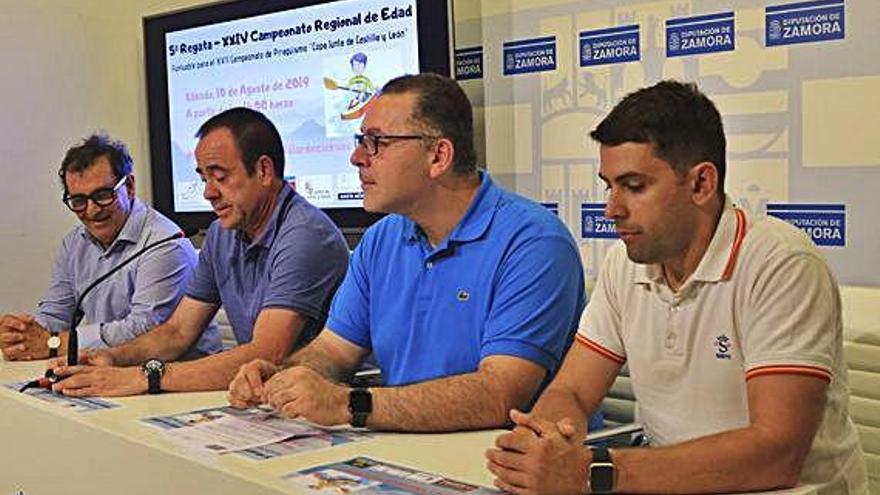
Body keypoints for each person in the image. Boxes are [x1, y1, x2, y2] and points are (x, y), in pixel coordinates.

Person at [485, 80, 867, 494]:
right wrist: (547, 439)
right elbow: (572, 390)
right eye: (608, 186)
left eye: (634, 186)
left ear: (701, 184)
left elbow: (776, 453)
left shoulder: (782, 264)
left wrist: (593, 471)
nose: (612, 209)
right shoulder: (624, 265)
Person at [228, 73, 587, 433]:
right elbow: (333, 352)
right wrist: (281, 376)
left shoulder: (534, 242)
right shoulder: (380, 239)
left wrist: (348, 404)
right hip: (404, 451)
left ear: (438, 155)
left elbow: (501, 394)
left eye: (375, 143)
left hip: (498, 464)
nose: (356, 158)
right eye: (360, 141)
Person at [49, 107, 350, 396]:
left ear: (263, 170)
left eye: (220, 177)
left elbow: (268, 352)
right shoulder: (222, 232)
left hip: (331, 401)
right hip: (270, 396)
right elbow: (178, 331)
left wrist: (144, 376)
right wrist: (114, 358)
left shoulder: (307, 235)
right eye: (204, 178)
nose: (208, 192)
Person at [0, 134, 219, 361]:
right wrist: (21, 335)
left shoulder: (165, 242)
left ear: (130, 187)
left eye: (103, 195)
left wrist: (55, 343)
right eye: (78, 201)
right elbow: (56, 314)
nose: (92, 210)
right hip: (111, 370)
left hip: (182, 380)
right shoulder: (75, 243)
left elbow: (142, 328)